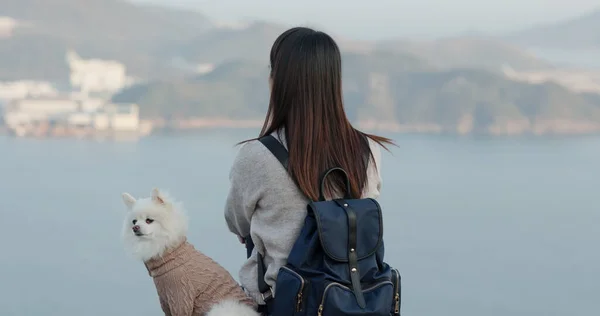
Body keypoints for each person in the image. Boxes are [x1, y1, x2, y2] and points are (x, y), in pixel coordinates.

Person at [224, 26, 395, 310]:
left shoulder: (257, 156)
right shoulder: (368, 150)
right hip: (355, 302)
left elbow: (236, 223)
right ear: (333, 81)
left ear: (279, 81)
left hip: (284, 304)